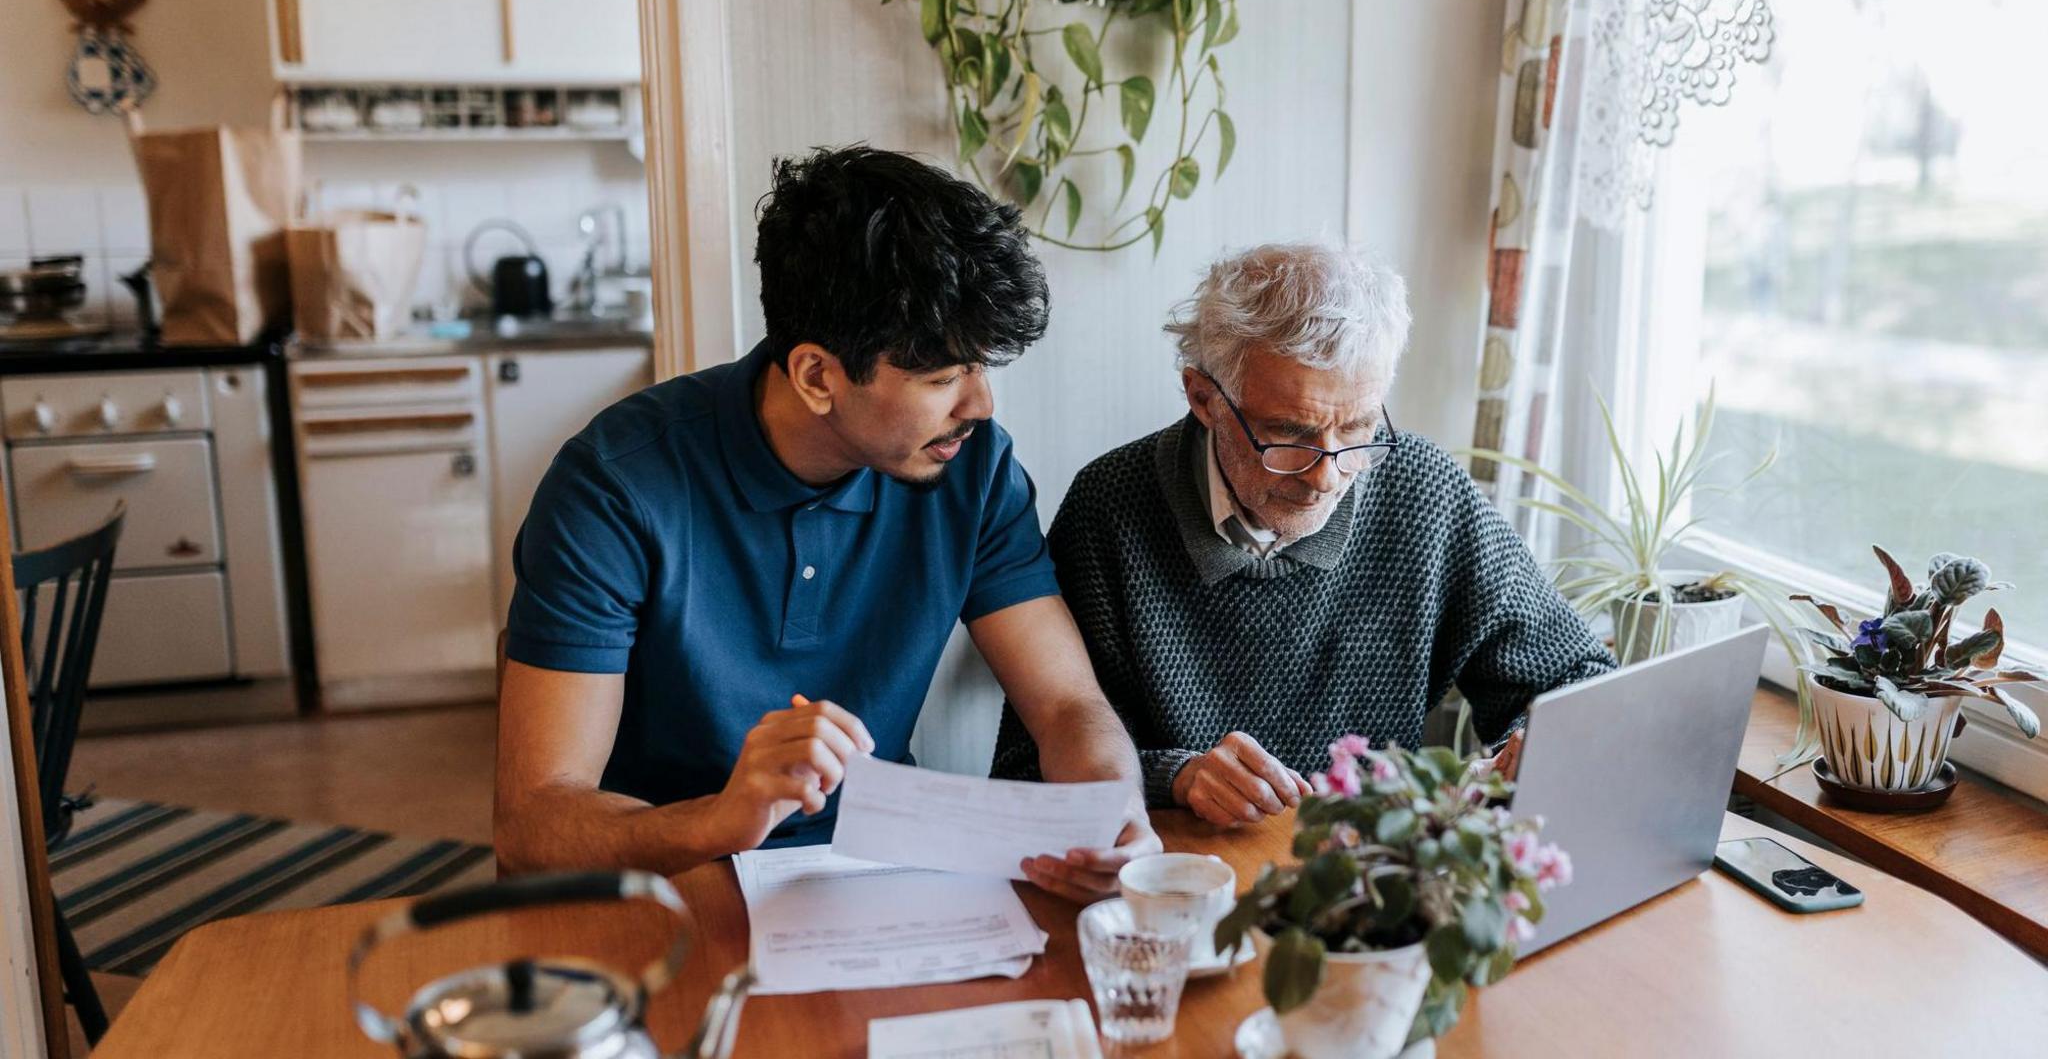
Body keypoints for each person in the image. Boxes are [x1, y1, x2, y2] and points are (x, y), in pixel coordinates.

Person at [496, 145, 1158, 898]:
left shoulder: (972, 469)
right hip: (669, 890)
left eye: (981, 369)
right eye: (944, 378)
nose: (981, 406)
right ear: (817, 375)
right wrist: (724, 819)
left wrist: (1112, 805)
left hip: (884, 885)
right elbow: (533, 826)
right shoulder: (613, 488)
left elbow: (1067, 704)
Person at [991, 242, 1613, 826]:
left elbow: (1577, 679)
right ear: (1203, 398)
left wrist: (1524, 752)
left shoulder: (1421, 489)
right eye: (1288, 435)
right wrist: (1174, 777)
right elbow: (1029, 770)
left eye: (1358, 428)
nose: (1327, 474)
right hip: (1192, 877)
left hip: (1371, 880)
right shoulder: (1110, 509)